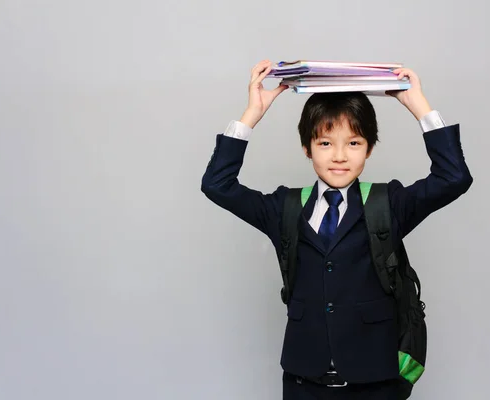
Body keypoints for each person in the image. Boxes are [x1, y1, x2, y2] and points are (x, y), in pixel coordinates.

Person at [201, 59, 473, 399]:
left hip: (377, 383)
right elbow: (217, 185)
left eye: (354, 143)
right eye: (325, 143)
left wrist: (419, 107)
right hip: (304, 384)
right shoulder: (283, 208)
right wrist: (252, 114)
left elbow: (453, 178)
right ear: (307, 148)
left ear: (369, 149)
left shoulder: (388, 204)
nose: (340, 156)